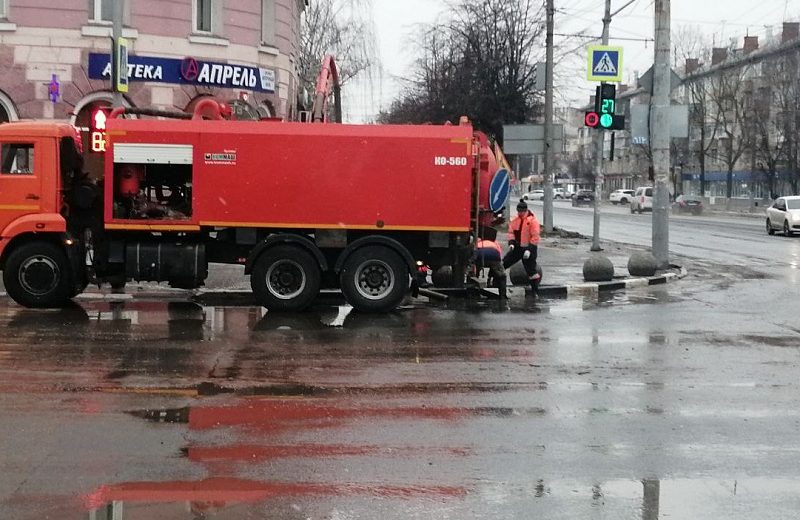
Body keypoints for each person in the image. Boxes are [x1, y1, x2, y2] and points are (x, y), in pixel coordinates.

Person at [503, 200, 541, 291]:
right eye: (519, 211)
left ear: (526, 210)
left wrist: (529, 249)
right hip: (517, 247)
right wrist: (511, 243)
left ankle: (535, 291)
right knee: (504, 263)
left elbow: (535, 236)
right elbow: (511, 233)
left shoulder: (532, 221)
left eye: (522, 211)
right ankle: (496, 283)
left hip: (528, 248)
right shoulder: (515, 220)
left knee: (531, 270)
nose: (520, 213)